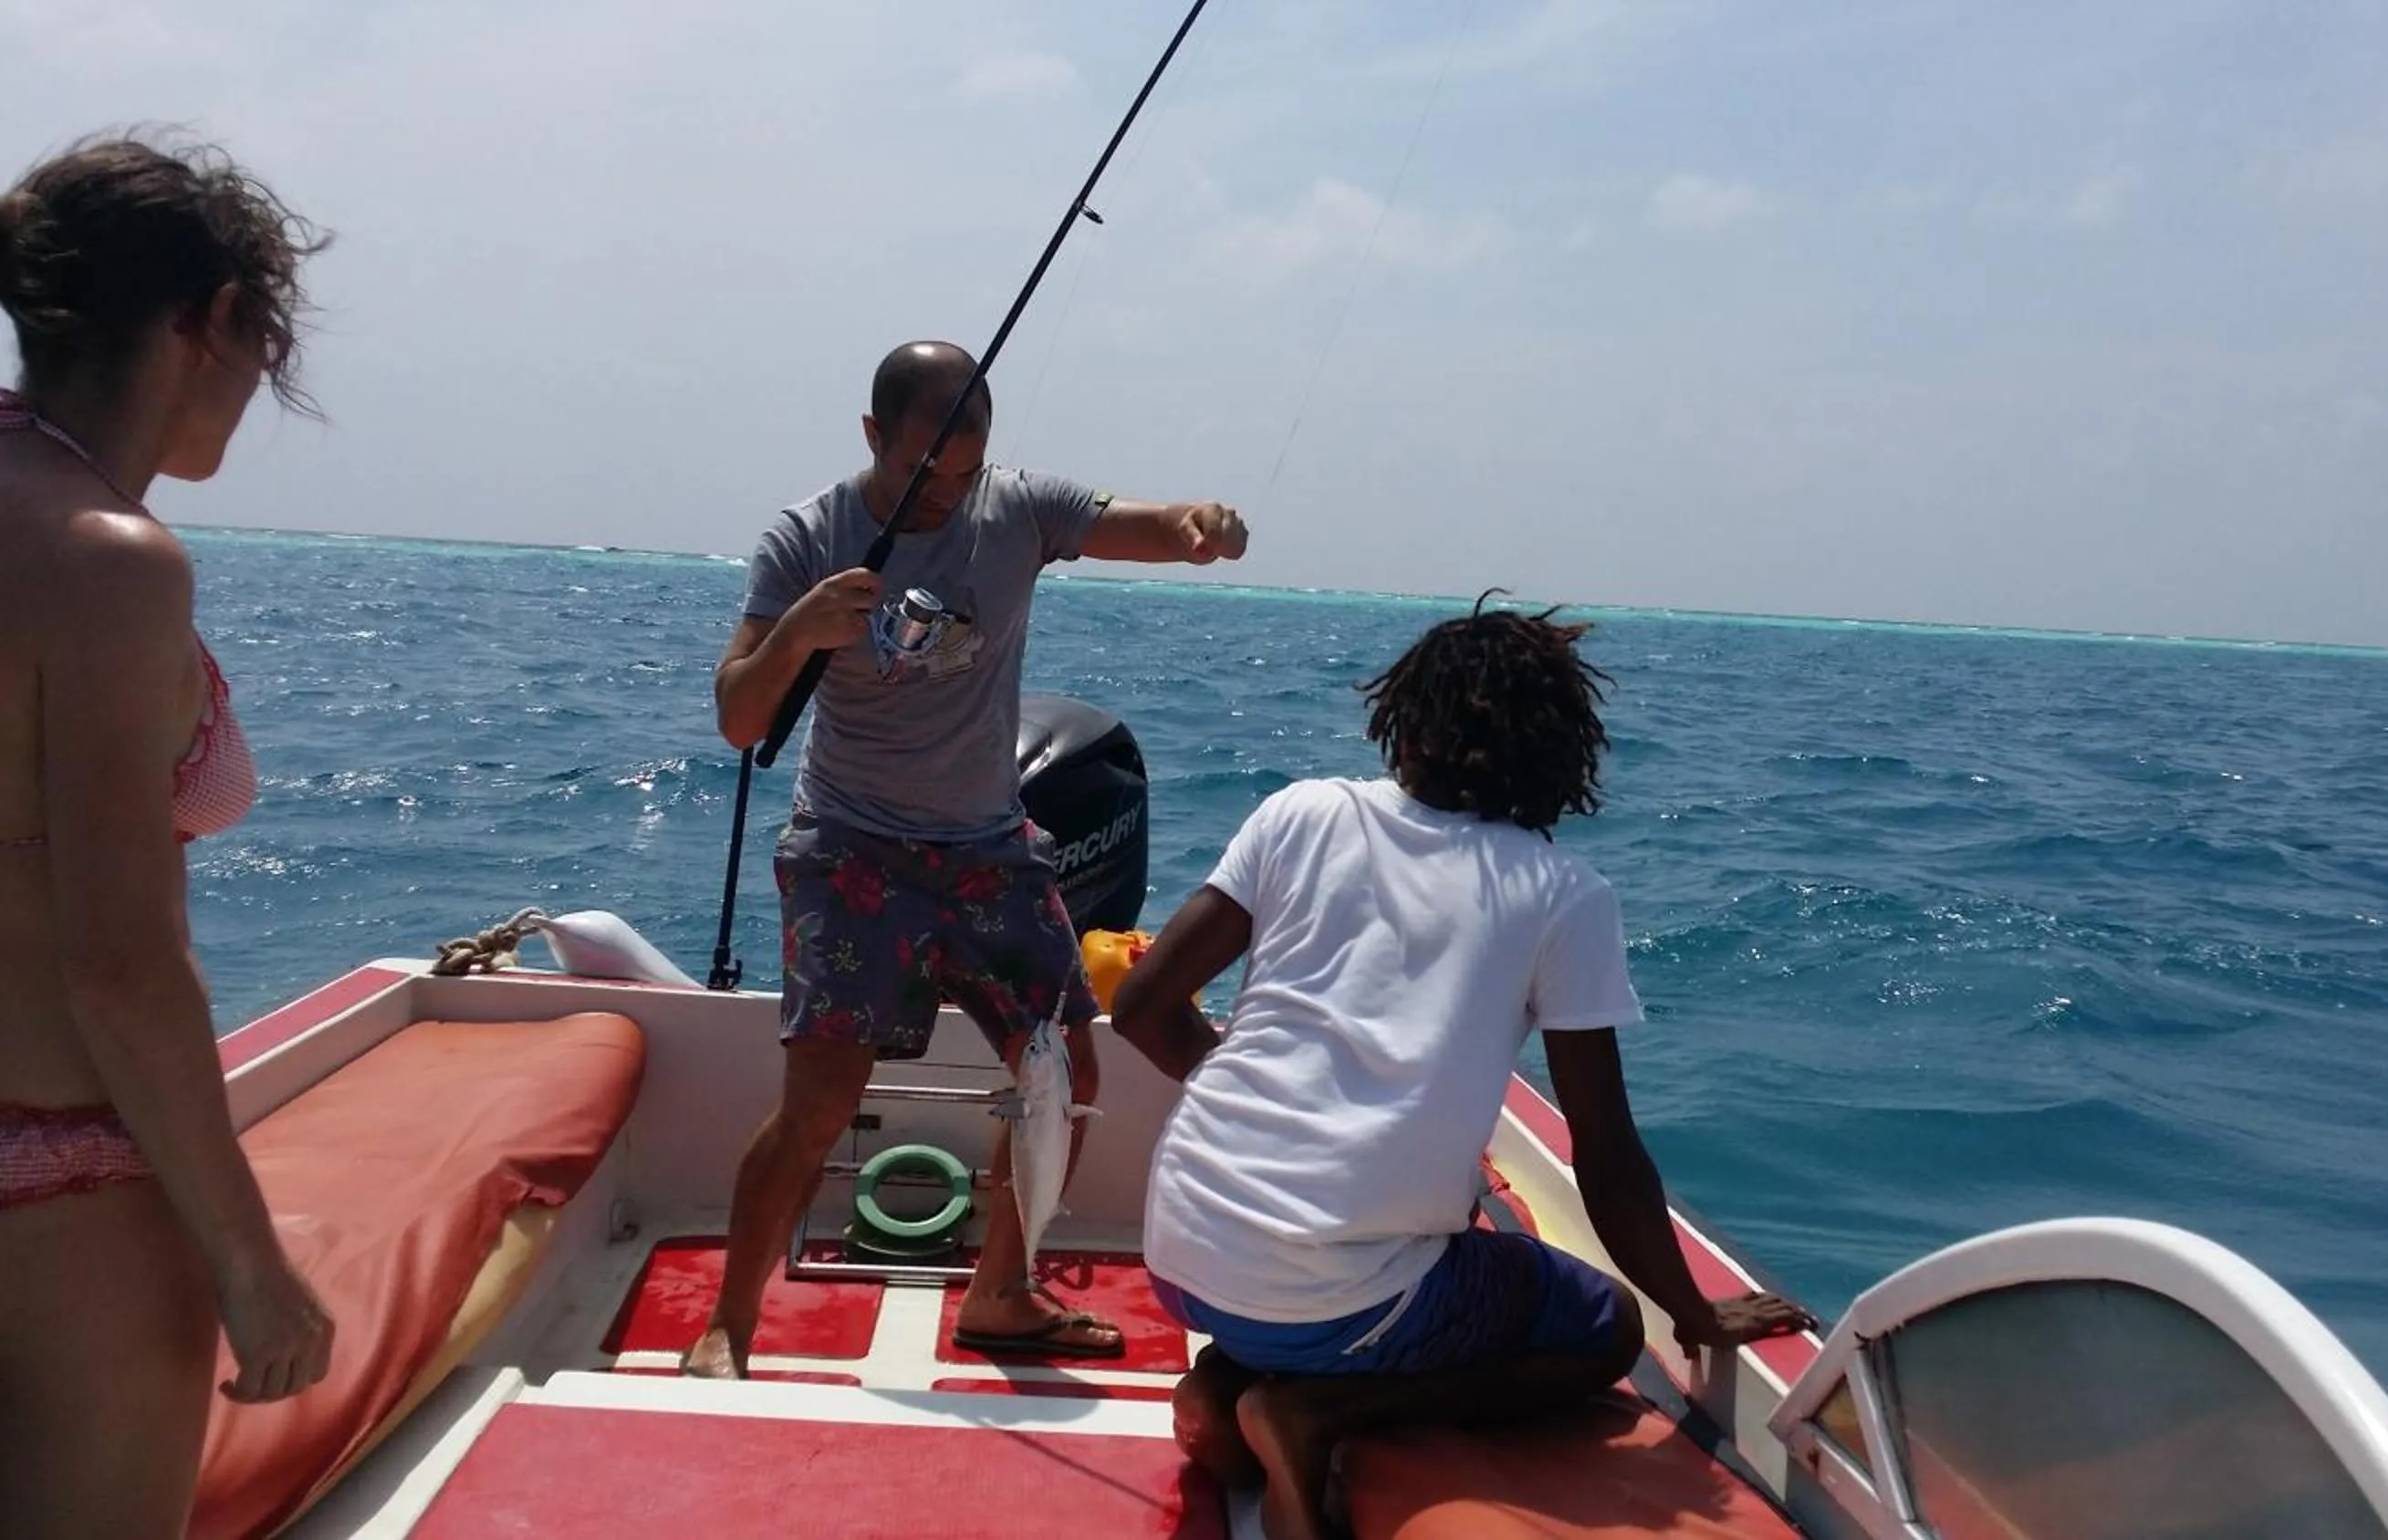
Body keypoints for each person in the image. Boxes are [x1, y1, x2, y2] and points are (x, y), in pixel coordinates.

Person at [1111, 595, 1818, 1540]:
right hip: (1335, 1298)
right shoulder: (1563, 894)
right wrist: (1689, 1310)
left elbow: (1141, 1006)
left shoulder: (1302, 811)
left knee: (1329, 1283)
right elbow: (1605, 1154)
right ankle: (1314, 1413)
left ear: (1407, 717)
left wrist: (1249, 1111)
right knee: (1602, 1320)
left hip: (1184, 1250)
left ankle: (1232, 1385)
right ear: (1560, 750)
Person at [686, 339, 1251, 1377]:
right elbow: (737, 718)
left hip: (990, 845)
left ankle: (1003, 1293)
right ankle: (728, 1319)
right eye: (921, 469)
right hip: (850, 846)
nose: (947, 491)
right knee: (817, 1100)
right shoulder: (807, 537)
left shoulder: (1018, 508)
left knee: (1066, 1070)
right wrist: (803, 628)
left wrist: (1198, 525)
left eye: (966, 466)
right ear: (872, 438)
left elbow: (1143, 522)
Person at [0, 133, 337, 1534]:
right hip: (59, 1178)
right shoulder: (105, 558)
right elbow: (121, 968)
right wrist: (248, 1259)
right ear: (205, 320)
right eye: (265, 340)